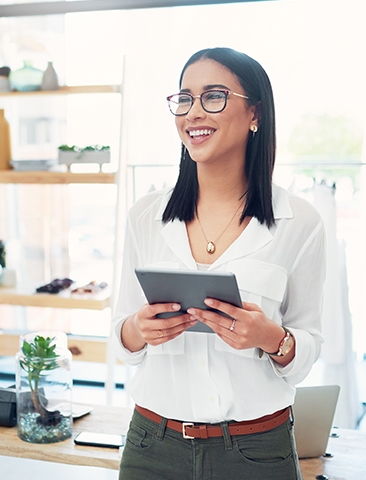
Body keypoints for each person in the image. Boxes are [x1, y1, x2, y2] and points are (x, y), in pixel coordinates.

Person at [110, 48, 327, 479]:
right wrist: (139, 329)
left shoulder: (299, 222)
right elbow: (123, 338)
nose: (193, 112)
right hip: (152, 446)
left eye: (213, 96)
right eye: (184, 99)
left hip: (255, 452)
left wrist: (271, 337)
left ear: (255, 114)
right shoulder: (146, 216)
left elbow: (309, 346)